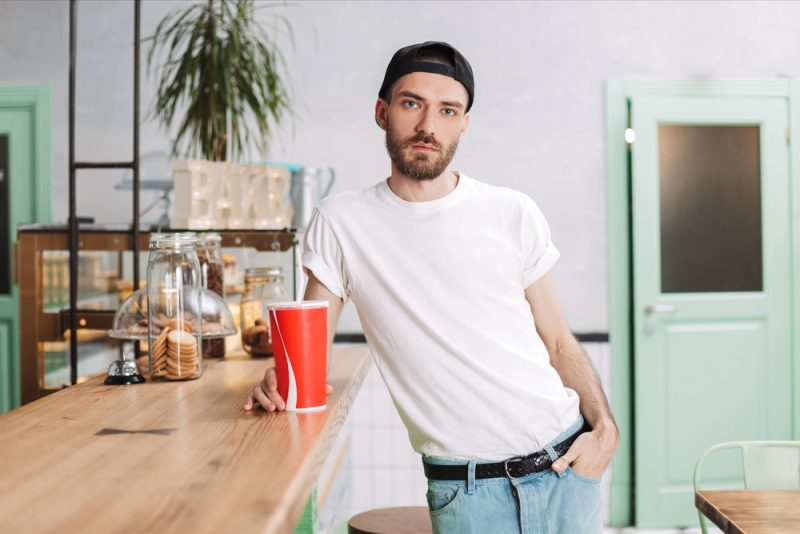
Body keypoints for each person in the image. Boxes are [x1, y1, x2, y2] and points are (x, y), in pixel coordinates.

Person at [244, 41, 618, 533]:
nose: (428, 125)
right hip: (468, 493)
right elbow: (309, 353)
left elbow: (558, 341)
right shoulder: (341, 222)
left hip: (568, 465)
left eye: (447, 110)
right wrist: (281, 381)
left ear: (464, 123)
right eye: (411, 103)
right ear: (382, 112)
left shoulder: (513, 211)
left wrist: (605, 430)